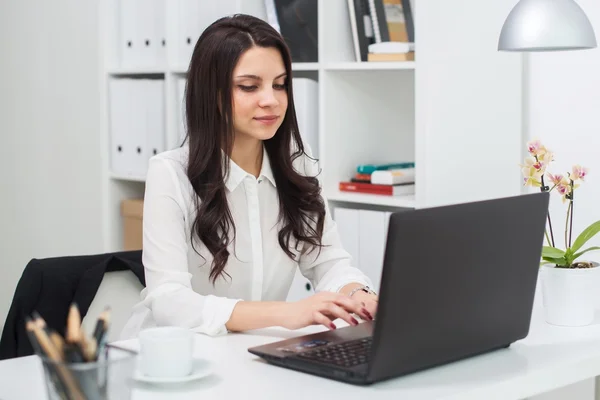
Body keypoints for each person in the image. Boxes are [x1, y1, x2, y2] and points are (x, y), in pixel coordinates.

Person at [120, 14, 378, 340]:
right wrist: (289, 313)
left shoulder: (299, 166)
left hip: (251, 352)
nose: (271, 100)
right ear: (210, 93)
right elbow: (169, 302)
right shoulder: (170, 173)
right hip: (176, 355)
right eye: (249, 86)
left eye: (280, 84)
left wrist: (359, 295)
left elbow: (329, 262)